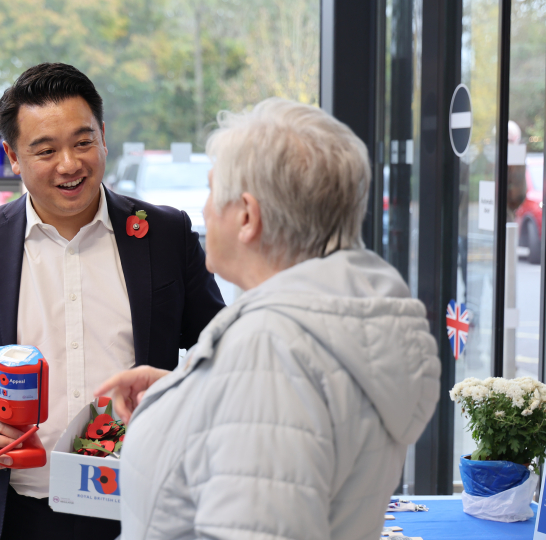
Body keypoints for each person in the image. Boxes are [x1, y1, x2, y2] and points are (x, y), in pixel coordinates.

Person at [96, 98, 442, 540]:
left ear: (246, 216)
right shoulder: (332, 326)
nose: (202, 211)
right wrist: (187, 396)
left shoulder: (268, 353)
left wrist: (234, 382)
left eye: (210, 190)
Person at [0, 63, 225, 540]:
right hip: (18, 507)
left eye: (83, 142)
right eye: (45, 150)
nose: (69, 164)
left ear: (103, 136)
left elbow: (218, 348)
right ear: (13, 157)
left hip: (140, 503)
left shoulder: (163, 234)